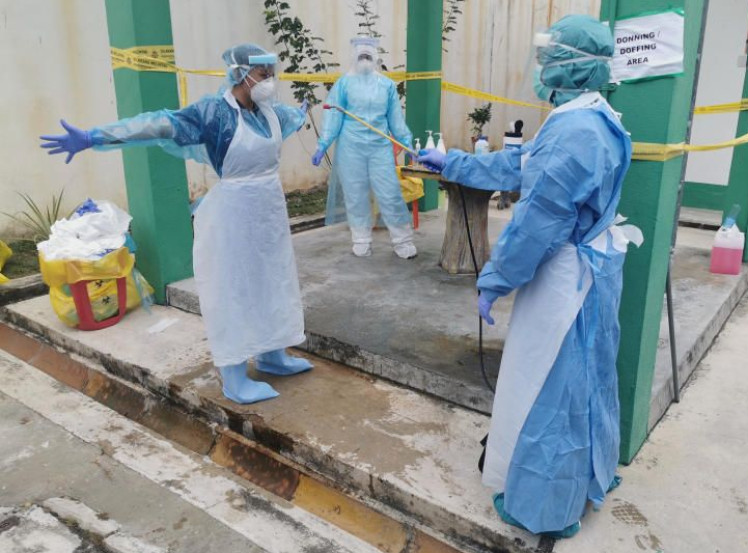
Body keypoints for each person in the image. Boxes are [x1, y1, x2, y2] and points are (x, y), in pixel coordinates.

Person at [417, 15, 642, 538]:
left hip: (565, 282)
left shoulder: (575, 131)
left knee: (550, 388)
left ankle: (545, 505)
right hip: (588, 271)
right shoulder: (592, 115)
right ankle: (585, 478)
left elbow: (537, 223)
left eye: (548, 58)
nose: (541, 68)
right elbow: (521, 168)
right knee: (584, 384)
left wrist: (495, 280)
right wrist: (453, 163)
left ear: (568, 66)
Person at [40, 43, 314, 405]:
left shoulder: (269, 113)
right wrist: (95, 136)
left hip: (268, 212)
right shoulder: (214, 114)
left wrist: (309, 110)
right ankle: (234, 375)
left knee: (272, 281)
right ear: (240, 74)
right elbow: (159, 124)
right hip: (233, 214)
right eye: (263, 74)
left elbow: (292, 118)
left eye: (271, 74)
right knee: (233, 289)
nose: (270, 82)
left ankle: (273, 353)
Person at [312, 36, 417, 259]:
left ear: (376, 57)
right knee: (355, 194)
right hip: (351, 147)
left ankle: (403, 240)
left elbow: (396, 119)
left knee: (390, 193)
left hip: (380, 147)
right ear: (354, 56)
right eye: (361, 54)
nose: (365, 57)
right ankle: (361, 239)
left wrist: (406, 143)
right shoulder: (343, 84)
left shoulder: (387, 85)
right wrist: (323, 145)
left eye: (369, 54)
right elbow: (333, 116)